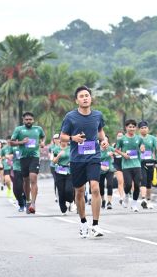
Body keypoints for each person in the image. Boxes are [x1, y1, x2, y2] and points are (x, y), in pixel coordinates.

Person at [60, 85, 107, 238]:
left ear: (91, 98)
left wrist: (104, 140)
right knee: (79, 192)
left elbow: (100, 132)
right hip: (77, 159)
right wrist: (73, 138)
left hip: (93, 157)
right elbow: (62, 137)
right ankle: (83, 222)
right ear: (77, 100)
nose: (85, 98)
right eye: (81, 96)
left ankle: (96, 225)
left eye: (87, 95)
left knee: (95, 188)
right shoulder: (70, 117)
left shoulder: (98, 115)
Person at [10, 112, 45, 214]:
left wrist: (42, 142)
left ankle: (33, 203)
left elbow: (43, 136)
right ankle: (28, 201)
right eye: (26, 120)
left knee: (33, 178)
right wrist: (21, 142)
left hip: (35, 157)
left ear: (33, 120)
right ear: (23, 120)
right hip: (23, 158)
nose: (28, 121)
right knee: (26, 181)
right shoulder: (18, 129)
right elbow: (11, 142)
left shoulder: (38, 129)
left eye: (30, 119)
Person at [116, 119, 144, 212]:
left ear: (135, 128)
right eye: (130, 127)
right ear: (126, 128)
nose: (131, 129)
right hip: (126, 166)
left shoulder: (139, 138)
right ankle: (126, 195)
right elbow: (116, 149)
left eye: (133, 127)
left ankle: (134, 204)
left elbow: (142, 147)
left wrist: (142, 149)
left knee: (137, 184)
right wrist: (123, 154)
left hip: (137, 164)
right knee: (128, 184)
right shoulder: (122, 139)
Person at [138, 120, 157, 209]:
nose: (144, 129)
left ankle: (148, 200)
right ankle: (143, 199)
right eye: (142, 128)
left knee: (149, 182)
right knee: (143, 180)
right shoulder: (136, 138)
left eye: (145, 127)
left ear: (148, 129)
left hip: (150, 162)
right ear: (139, 129)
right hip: (140, 162)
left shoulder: (152, 138)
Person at [53, 139, 74, 215]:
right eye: (63, 140)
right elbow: (54, 161)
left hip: (69, 171)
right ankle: (63, 209)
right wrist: (58, 156)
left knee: (68, 190)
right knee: (61, 191)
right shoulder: (56, 149)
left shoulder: (70, 148)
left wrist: (71, 162)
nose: (65, 142)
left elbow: (74, 157)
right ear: (60, 141)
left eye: (66, 141)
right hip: (59, 171)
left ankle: (71, 201)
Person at [99, 136, 115, 210]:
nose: (105, 143)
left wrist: (114, 154)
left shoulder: (110, 148)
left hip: (109, 169)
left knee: (110, 184)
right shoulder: (97, 150)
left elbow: (117, 152)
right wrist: (107, 155)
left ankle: (109, 202)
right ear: (100, 142)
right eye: (103, 141)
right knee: (101, 186)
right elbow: (96, 158)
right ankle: (103, 200)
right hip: (100, 170)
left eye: (106, 141)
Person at [112, 131, 125, 204]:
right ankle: (121, 197)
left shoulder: (126, 145)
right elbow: (111, 154)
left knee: (128, 181)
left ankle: (130, 194)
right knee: (120, 181)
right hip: (117, 164)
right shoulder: (114, 145)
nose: (120, 137)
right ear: (116, 137)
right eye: (118, 136)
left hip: (125, 164)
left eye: (121, 136)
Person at [48, 134, 61, 202]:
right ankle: (56, 196)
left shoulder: (62, 146)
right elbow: (50, 156)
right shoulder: (51, 147)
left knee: (61, 180)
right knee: (56, 180)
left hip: (61, 166)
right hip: (53, 166)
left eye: (58, 138)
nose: (57, 140)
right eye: (56, 138)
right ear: (53, 140)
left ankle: (61, 194)